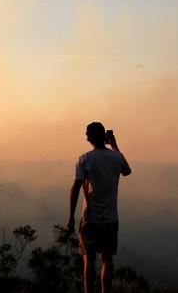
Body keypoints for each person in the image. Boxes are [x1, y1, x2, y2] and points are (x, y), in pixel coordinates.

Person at [68, 122, 132, 293]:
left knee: (89, 260)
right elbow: (127, 171)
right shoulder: (116, 157)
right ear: (104, 136)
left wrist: (70, 218)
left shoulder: (85, 158)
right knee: (107, 260)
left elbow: (75, 189)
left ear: (88, 137)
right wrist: (114, 145)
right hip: (110, 218)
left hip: (90, 219)